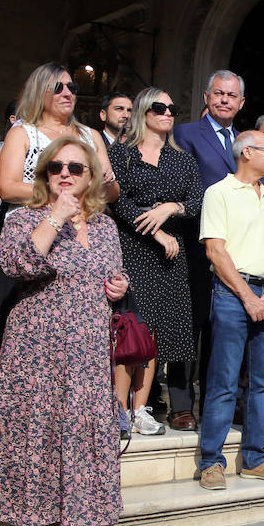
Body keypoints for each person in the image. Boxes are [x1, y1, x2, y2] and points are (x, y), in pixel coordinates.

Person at [0, 136, 128, 526]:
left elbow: (111, 272)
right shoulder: (25, 218)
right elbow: (18, 265)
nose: (66, 175)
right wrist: (55, 216)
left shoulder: (106, 225)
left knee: (76, 437)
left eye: (76, 167)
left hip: (89, 349)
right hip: (38, 347)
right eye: (56, 167)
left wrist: (119, 286)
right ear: (45, 174)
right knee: (36, 435)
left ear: (91, 175)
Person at [0, 64, 117, 446]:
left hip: (84, 235)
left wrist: (87, 197)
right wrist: (55, 199)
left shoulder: (89, 135)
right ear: (40, 90)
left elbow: (110, 187)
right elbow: (7, 187)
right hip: (37, 235)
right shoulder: (22, 131)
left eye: (72, 86)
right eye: (57, 86)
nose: (67, 92)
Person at [196, 131, 264, 490]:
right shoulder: (218, 193)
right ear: (247, 152)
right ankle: (211, 462)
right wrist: (247, 297)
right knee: (223, 381)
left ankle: (256, 457)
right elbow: (215, 252)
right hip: (232, 295)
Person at [108, 88, 204, 433]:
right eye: (159, 107)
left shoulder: (183, 158)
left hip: (170, 255)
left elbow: (196, 201)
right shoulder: (121, 153)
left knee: (158, 333)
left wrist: (170, 208)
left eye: (172, 107)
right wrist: (156, 231)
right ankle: (118, 409)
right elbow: (117, 203)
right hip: (133, 247)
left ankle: (142, 408)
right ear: (143, 112)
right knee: (132, 328)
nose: (167, 113)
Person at [173, 70, 246, 419]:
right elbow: (183, 184)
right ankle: (182, 404)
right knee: (190, 321)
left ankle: (217, 404)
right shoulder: (186, 133)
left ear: (241, 102)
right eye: (218, 94)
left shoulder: (247, 141)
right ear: (206, 96)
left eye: (231, 96)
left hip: (239, 247)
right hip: (196, 241)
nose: (224, 100)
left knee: (224, 327)